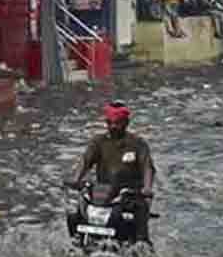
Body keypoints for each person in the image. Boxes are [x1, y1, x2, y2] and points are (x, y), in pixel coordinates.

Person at [66, 101, 157, 242]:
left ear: (126, 122)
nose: (113, 126)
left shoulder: (137, 144)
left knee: (139, 223)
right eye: (110, 123)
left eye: (118, 123)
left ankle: (143, 250)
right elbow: (85, 161)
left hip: (130, 196)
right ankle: (77, 242)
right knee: (74, 213)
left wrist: (147, 188)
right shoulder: (98, 142)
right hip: (102, 197)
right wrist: (76, 179)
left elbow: (147, 168)